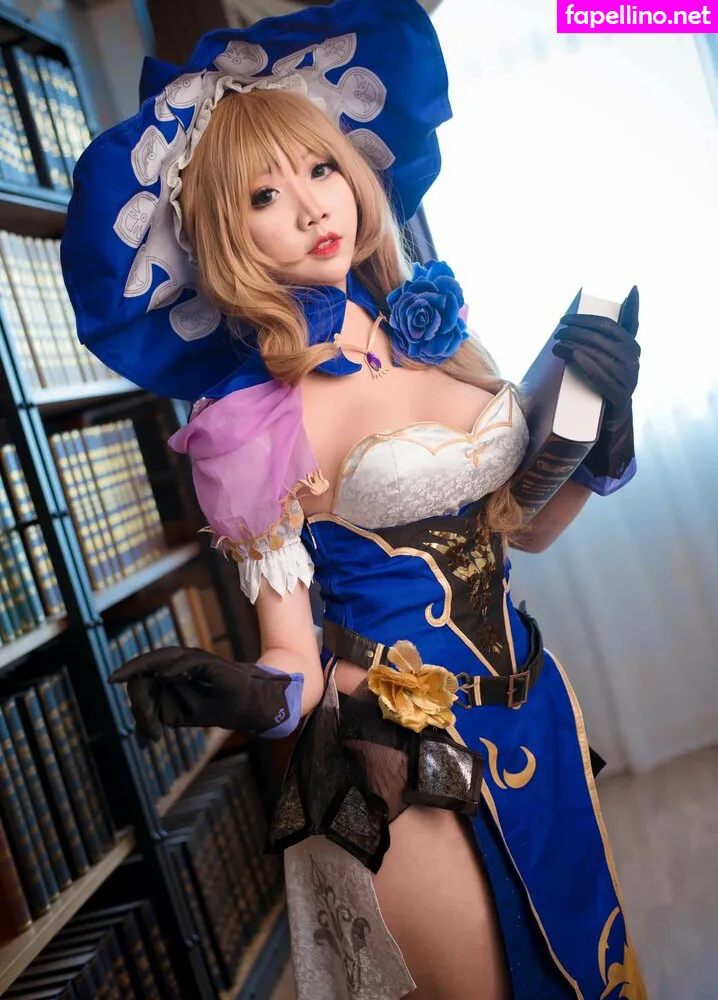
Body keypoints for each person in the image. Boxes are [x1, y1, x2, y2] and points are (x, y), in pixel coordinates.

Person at [61, 1, 646, 997]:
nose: (310, 207)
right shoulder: (249, 421)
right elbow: (292, 655)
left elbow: (528, 532)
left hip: (537, 710)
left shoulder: (436, 335)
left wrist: (601, 441)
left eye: (320, 169)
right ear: (223, 235)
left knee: (597, 973)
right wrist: (250, 694)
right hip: (400, 759)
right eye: (264, 194)